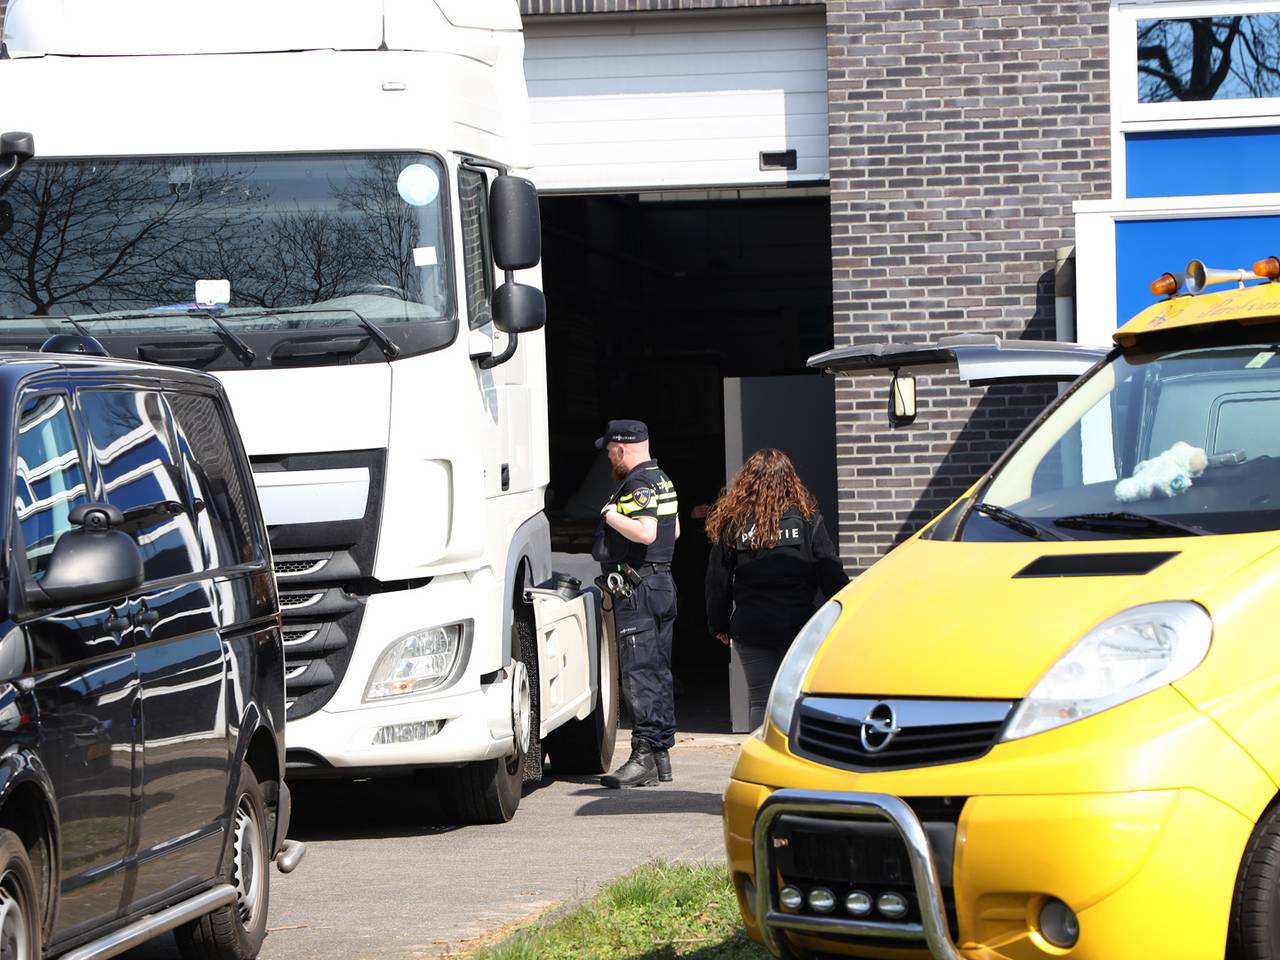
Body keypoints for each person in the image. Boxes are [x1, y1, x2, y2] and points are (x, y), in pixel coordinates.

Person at [704, 449, 849, 731]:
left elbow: (717, 580)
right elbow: (830, 571)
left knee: (760, 701)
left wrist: (718, 624)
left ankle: (762, 766)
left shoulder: (733, 524)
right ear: (790, 480)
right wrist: (846, 612)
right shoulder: (808, 520)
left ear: (747, 482)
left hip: (751, 626)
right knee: (796, 699)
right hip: (798, 625)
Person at [592, 419, 679, 788]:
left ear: (622, 448)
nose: (610, 458)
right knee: (658, 670)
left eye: (610, 452)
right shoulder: (662, 479)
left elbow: (646, 531)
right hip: (661, 583)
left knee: (639, 673)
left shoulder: (638, 483)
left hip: (639, 588)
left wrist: (609, 515)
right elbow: (673, 530)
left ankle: (642, 755)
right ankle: (661, 756)